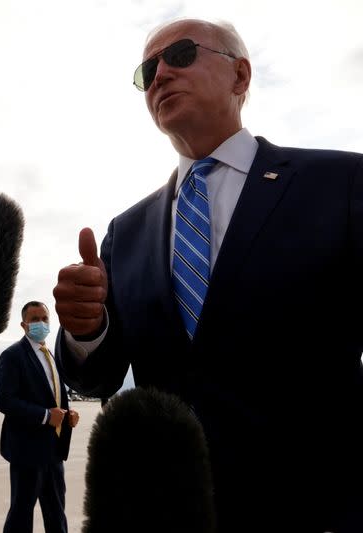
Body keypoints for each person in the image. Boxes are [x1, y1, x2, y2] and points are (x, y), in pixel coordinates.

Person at [52, 17, 363, 533]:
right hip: (168, 512)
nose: (159, 77)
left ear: (240, 76)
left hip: (315, 507)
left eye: (179, 56)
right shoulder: (126, 230)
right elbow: (97, 377)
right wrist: (86, 330)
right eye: (147, 70)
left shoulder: (343, 183)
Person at [0, 301, 79, 533]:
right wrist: (44, 416)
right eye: (34, 319)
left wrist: (67, 414)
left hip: (54, 451)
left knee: (56, 514)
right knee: (21, 517)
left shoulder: (50, 355)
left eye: (44, 318)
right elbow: (3, 401)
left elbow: (54, 396)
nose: (41, 323)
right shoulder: (12, 356)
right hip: (27, 452)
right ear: (23, 325)